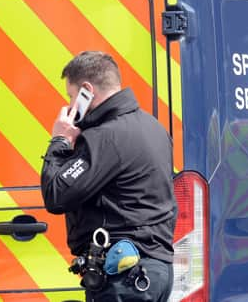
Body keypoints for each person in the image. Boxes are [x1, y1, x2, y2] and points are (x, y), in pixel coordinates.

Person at [41, 51, 176, 302]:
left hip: (123, 278)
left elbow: (56, 195)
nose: (71, 105)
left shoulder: (105, 138)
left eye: (72, 96)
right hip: (155, 271)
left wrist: (60, 141)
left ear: (87, 90)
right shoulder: (153, 127)